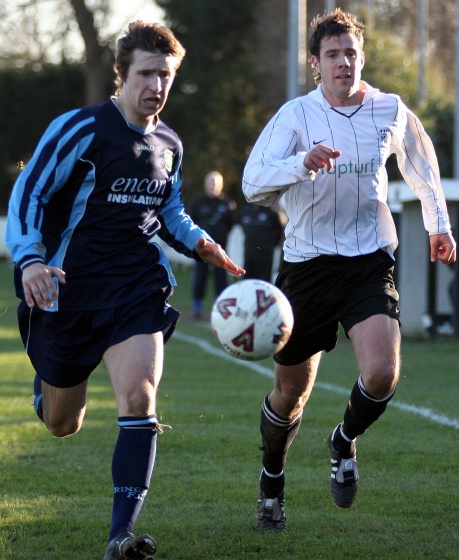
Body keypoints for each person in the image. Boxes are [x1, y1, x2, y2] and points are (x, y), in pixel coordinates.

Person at [6, 21, 244, 559]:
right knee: (63, 425)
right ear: (121, 75)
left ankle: (120, 535)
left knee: (140, 397)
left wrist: (200, 242)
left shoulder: (170, 144)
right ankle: (49, 388)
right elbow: (29, 194)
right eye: (146, 73)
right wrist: (30, 261)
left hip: (137, 287)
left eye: (166, 74)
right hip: (67, 292)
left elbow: (169, 210)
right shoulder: (81, 129)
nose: (157, 85)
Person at [242, 8, 456, 532]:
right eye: (332, 55)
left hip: (367, 261)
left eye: (351, 53)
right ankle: (272, 482)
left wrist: (439, 226)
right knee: (291, 393)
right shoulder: (295, 116)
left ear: (362, 57)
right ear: (315, 64)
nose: (344, 63)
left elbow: (423, 169)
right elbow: (252, 182)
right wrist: (301, 163)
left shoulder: (390, 108)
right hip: (308, 266)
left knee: (382, 373)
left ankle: (342, 440)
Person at [188, 171, 237, 319]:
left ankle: (220, 308)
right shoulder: (197, 203)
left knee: (221, 279)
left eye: (216, 182)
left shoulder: (228, 203)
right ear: (205, 184)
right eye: (211, 182)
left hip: (221, 249)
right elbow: (192, 221)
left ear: (222, 185)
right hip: (202, 250)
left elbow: (230, 224)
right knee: (199, 277)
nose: (213, 185)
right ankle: (197, 307)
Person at [240, 203, 284, 281]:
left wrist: (272, 244)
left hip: (265, 255)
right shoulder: (246, 211)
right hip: (249, 254)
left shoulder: (271, 211)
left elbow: (279, 230)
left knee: (263, 282)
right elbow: (244, 230)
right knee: (248, 281)